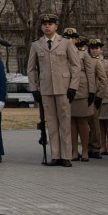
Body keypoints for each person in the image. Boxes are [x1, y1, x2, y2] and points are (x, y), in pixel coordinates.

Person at [27, 14, 80, 167]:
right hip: (46, 88)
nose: (47, 26)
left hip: (64, 88)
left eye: (50, 24)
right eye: (44, 24)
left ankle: (66, 156)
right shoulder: (36, 45)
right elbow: (31, 69)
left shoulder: (65, 43)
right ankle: (56, 155)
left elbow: (76, 66)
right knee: (51, 122)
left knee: (65, 121)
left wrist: (73, 86)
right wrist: (34, 88)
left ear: (56, 26)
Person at [67, 32, 97, 162]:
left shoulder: (83, 53)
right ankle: (74, 150)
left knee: (82, 121)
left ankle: (85, 149)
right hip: (67, 90)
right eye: (67, 38)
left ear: (77, 39)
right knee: (71, 122)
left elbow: (90, 73)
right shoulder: (62, 52)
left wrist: (92, 91)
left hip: (82, 90)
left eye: (72, 37)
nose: (70, 40)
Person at [87, 38, 108, 159]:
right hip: (84, 96)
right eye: (92, 48)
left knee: (95, 123)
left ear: (101, 49)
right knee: (84, 123)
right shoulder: (86, 60)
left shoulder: (100, 62)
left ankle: (95, 147)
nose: (94, 50)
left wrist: (99, 96)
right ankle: (87, 147)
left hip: (95, 96)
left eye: (96, 48)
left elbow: (104, 80)